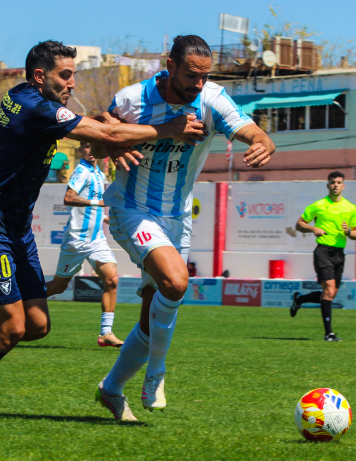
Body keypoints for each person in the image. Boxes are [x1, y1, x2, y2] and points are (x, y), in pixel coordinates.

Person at [0, 40, 207, 423]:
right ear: (40, 76)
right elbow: (103, 134)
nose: (72, 84)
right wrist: (166, 129)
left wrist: (113, 137)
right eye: (65, 75)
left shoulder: (27, 98)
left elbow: (100, 132)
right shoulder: (35, 107)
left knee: (36, 325)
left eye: (73, 75)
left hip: (16, 230)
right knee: (11, 329)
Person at [93, 35, 275, 421]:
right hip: (132, 208)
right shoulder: (133, 99)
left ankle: (110, 389)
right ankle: (157, 372)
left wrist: (263, 141)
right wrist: (112, 141)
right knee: (176, 283)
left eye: (204, 76)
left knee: (150, 317)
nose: (198, 84)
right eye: (192, 75)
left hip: (177, 218)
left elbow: (247, 128)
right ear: (170, 65)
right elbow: (98, 139)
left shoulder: (211, 98)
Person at [45, 141, 123, 348]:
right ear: (80, 149)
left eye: (94, 146)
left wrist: (104, 218)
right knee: (58, 287)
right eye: (86, 146)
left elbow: (95, 206)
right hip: (76, 241)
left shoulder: (100, 174)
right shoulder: (82, 171)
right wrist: (96, 204)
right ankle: (24, 301)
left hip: (96, 240)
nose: (90, 150)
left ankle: (106, 333)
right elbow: (69, 197)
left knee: (112, 280)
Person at [290, 171, 356, 342]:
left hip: (339, 254)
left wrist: (349, 231)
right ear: (328, 185)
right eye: (332, 182)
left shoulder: (350, 208)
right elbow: (299, 224)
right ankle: (328, 333)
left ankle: (299, 299)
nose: (335, 185)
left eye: (338, 183)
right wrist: (313, 229)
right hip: (323, 251)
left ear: (343, 186)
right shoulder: (318, 205)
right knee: (328, 290)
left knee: (330, 294)